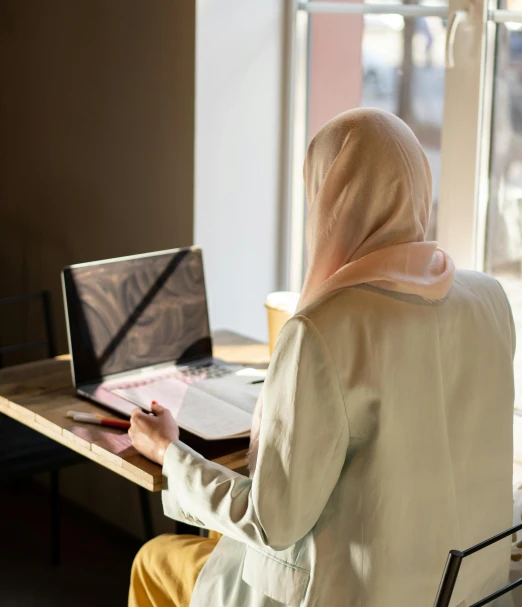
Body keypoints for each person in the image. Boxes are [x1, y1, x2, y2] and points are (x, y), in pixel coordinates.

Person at [128, 108, 515, 607]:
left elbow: (274, 523)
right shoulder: (489, 298)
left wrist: (171, 455)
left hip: (354, 594)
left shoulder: (324, 328)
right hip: (470, 593)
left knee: (155, 560)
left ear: (331, 201)